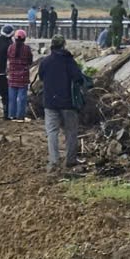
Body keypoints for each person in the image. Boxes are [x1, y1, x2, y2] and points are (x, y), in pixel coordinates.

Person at [39, 34, 84, 172]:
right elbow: (78, 78)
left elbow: (41, 77)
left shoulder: (45, 61)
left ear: (52, 46)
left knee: (52, 132)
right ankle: (70, 160)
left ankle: (54, 161)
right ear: (63, 45)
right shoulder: (69, 61)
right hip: (67, 103)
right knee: (71, 131)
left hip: (50, 103)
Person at [7, 29, 33, 120]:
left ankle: (11, 114)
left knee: (12, 98)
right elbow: (30, 61)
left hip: (12, 75)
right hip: (23, 76)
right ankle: (20, 115)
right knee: (22, 98)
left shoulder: (10, 47)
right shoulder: (27, 48)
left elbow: (8, 58)